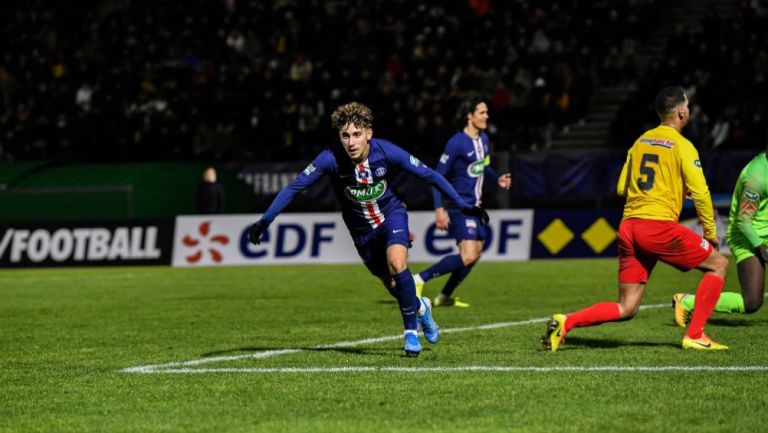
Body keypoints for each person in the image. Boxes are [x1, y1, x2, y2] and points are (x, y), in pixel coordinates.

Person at [247, 102, 489, 357]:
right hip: (361, 232)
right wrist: (265, 220)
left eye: (357, 134)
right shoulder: (330, 158)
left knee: (398, 264)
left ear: (369, 134)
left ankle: (410, 334)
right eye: (345, 135)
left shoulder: (387, 151)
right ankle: (421, 308)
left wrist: (462, 205)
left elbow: (429, 174)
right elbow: (295, 187)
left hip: (391, 216)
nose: (351, 142)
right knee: (392, 284)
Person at [541, 86, 730, 352]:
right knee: (718, 265)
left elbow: (622, 188)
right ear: (681, 112)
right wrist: (710, 233)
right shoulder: (683, 146)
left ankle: (566, 322)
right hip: (658, 226)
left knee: (627, 307)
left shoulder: (640, 141)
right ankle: (696, 334)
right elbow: (701, 192)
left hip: (629, 227)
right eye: (688, 106)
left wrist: (665, 187)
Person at [413, 97, 511, 307]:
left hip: (476, 206)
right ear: (470, 115)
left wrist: (497, 179)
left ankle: (443, 297)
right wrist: (439, 208)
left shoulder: (483, 139)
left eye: (487, 112)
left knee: (475, 255)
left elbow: (483, 166)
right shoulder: (456, 143)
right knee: (467, 256)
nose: (486, 116)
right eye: (482, 112)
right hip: (460, 205)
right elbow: (436, 176)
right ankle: (419, 278)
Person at [672, 147, 768, 324]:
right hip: (747, 237)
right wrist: (761, 247)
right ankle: (687, 302)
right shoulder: (757, 176)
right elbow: (743, 221)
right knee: (752, 302)